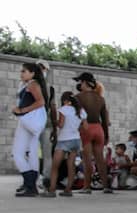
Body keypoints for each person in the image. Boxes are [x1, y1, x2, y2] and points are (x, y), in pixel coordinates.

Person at [12, 62, 49, 197]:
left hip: (27, 121)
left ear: (32, 73)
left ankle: (30, 185)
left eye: (24, 71)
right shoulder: (31, 84)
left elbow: (41, 102)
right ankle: (31, 187)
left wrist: (22, 110)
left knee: (17, 153)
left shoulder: (32, 84)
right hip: (32, 123)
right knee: (32, 153)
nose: (21, 73)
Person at [74, 71, 112, 195]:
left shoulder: (78, 97)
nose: (79, 84)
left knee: (87, 159)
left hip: (86, 128)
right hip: (99, 129)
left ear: (84, 82)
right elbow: (104, 119)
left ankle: (87, 186)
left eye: (80, 82)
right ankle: (106, 186)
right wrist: (106, 135)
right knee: (100, 159)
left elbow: (76, 116)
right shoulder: (101, 99)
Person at [42, 91, 84, 197]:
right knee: (71, 166)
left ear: (65, 100)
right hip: (76, 140)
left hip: (64, 140)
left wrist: (54, 121)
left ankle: (52, 190)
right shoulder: (80, 110)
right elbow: (85, 126)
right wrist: (75, 128)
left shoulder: (64, 109)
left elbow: (61, 125)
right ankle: (68, 190)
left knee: (55, 166)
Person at [36, 59, 56, 189]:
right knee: (36, 153)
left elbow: (53, 107)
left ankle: (46, 179)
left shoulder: (49, 88)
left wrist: (54, 126)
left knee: (46, 153)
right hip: (36, 123)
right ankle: (36, 179)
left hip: (44, 123)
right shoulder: (31, 86)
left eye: (42, 68)